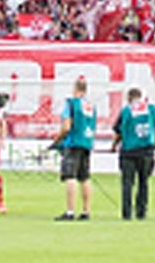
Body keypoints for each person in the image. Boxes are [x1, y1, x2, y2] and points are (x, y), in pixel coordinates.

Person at [111, 87, 155, 221]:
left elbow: (118, 132)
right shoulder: (151, 109)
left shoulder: (126, 111)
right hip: (147, 151)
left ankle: (127, 213)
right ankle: (141, 212)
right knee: (143, 182)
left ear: (128, 98)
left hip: (129, 151)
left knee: (127, 183)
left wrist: (113, 146)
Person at [54, 76, 97, 221]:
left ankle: (70, 211)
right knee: (84, 177)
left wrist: (58, 139)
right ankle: (86, 211)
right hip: (86, 142)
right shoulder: (91, 106)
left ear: (75, 89)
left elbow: (66, 126)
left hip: (73, 142)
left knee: (70, 176)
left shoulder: (71, 103)